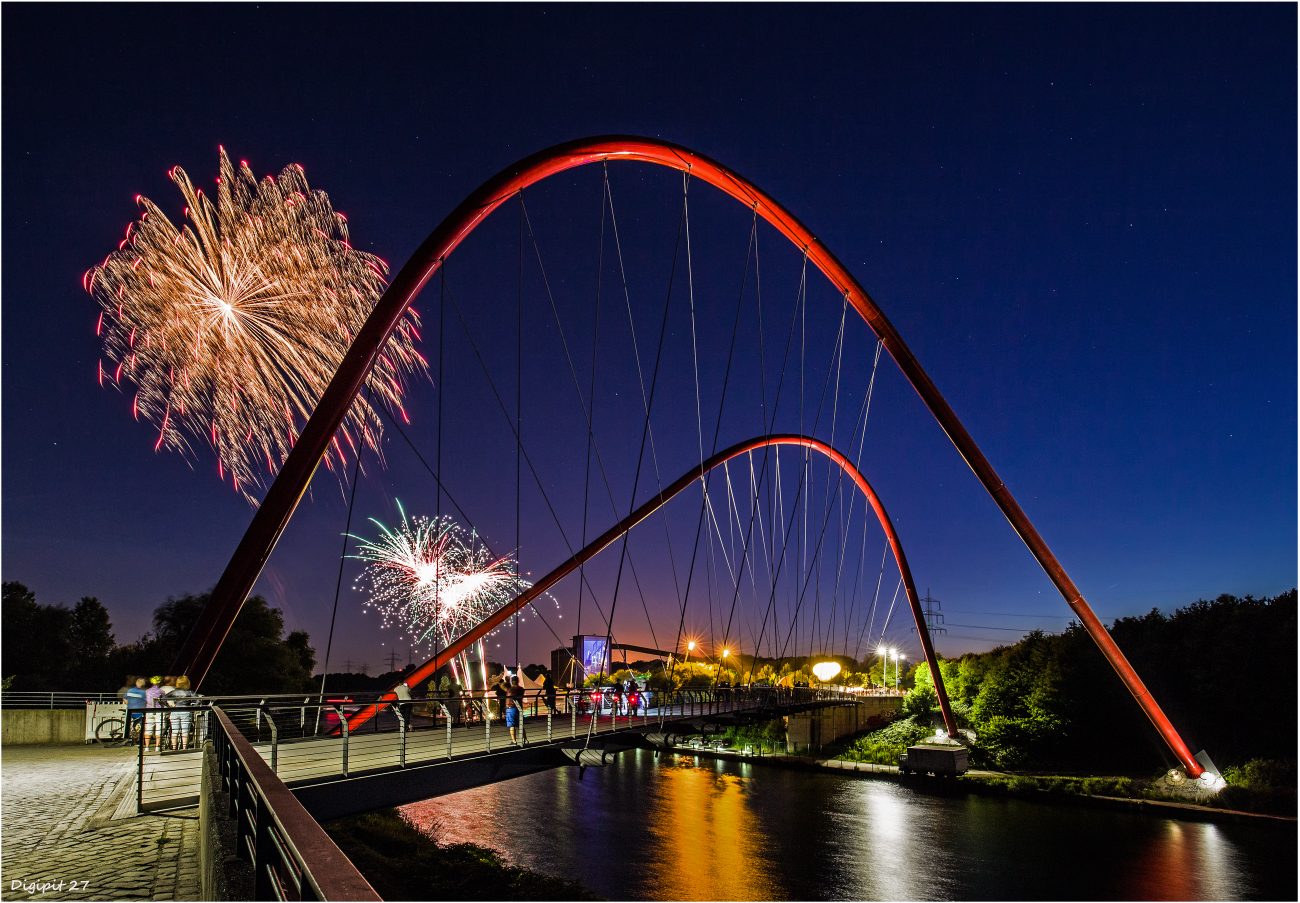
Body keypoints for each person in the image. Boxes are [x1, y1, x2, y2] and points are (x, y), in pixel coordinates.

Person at [168, 676, 196, 749]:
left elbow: (163, 698)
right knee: (185, 731)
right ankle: (184, 747)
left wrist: (169, 706)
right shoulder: (189, 692)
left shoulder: (174, 692)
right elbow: (198, 700)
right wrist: (192, 706)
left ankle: (174, 747)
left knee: (174, 731)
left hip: (175, 711)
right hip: (186, 711)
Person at [144, 676, 166, 752]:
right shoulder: (161, 691)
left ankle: (146, 747)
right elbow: (164, 701)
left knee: (148, 728)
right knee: (159, 728)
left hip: (149, 710)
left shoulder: (147, 691)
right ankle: (157, 746)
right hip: (158, 710)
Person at [506, 676, 525, 745]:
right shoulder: (521, 689)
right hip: (519, 707)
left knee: (512, 725)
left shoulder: (510, 689)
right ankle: (525, 739)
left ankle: (514, 741)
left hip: (511, 708)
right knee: (520, 724)